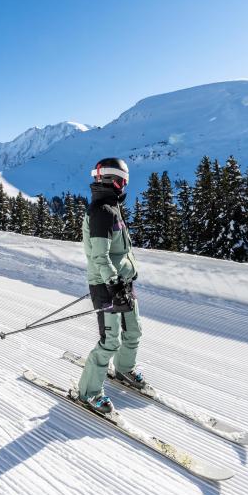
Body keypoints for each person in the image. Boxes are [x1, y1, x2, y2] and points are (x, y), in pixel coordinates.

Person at [76, 157, 145, 414]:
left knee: (134, 331)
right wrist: (114, 283)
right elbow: (100, 257)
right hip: (107, 285)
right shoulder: (101, 212)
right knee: (110, 341)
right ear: (115, 180)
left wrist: (123, 278)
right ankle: (89, 393)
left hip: (121, 282)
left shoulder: (112, 207)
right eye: (124, 180)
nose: (125, 185)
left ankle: (125, 369)